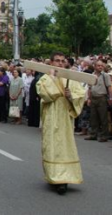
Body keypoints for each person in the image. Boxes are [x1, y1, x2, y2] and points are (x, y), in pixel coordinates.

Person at [36, 52, 86, 195]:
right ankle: (54, 177)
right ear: (51, 62)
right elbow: (44, 93)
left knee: (65, 146)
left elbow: (81, 94)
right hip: (51, 116)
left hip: (65, 117)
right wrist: (52, 78)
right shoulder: (45, 78)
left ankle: (65, 178)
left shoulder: (71, 78)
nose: (60, 63)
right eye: (57, 61)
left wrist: (72, 96)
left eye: (62, 61)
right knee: (52, 146)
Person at [86, 60, 112, 142]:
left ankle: (104, 135)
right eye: (98, 65)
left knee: (103, 117)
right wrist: (89, 98)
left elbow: (109, 87)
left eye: (101, 65)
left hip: (102, 97)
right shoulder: (91, 75)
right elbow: (89, 88)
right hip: (93, 97)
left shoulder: (105, 76)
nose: (100, 67)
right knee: (93, 117)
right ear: (94, 66)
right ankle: (93, 134)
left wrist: (111, 98)